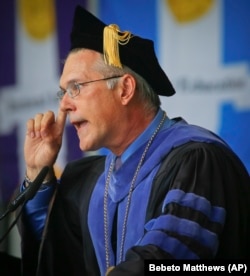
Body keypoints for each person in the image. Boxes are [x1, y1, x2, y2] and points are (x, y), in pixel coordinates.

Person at [17, 5, 250, 276]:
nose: (65, 105)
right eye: (63, 93)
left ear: (125, 89)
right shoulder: (89, 181)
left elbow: (164, 261)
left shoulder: (196, 161)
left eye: (76, 88)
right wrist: (37, 173)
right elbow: (54, 255)